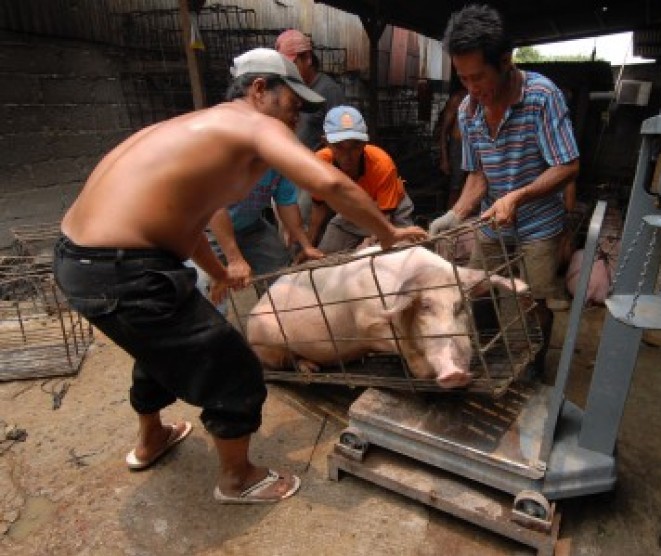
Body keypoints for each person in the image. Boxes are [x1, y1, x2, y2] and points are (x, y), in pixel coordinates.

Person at [52, 47, 427, 505]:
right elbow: (329, 185)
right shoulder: (251, 123)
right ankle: (238, 478)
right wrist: (387, 234)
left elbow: (190, 219)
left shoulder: (191, 128)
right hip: (127, 270)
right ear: (259, 90)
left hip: (79, 262)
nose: (294, 121)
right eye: (292, 106)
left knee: (155, 346)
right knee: (234, 365)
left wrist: (219, 272)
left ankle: (152, 438)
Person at [429, 5, 580, 375]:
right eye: (463, 79)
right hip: (493, 224)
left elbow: (568, 164)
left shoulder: (542, 96)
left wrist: (517, 196)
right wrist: (454, 216)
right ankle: (485, 360)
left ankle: (532, 367)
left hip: (538, 227)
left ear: (506, 60)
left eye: (478, 77)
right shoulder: (468, 110)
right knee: (476, 293)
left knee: (529, 302)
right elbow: (478, 175)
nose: (472, 88)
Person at [308, 105, 416, 253]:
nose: (348, 156)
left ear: (365, 143)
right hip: (353, 210)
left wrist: (372, 240)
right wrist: (308, 246)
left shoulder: (382, 164)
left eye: (355, 146)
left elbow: (385, 217)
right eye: (339, 146)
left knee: (401, 253)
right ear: (326, 142)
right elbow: (318, 207)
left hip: (391, 213)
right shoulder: (320, 164)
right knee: (325, 255)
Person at [276, 29, 346, 224]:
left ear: (307, 58)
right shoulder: (287, 87)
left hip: (310, 174)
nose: (287, 69)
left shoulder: (328, 90)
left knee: (303, 222)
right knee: (286, 226)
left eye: (292, 64)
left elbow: (342, 140)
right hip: (286, 171)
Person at [437, 75, 468, 209]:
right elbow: (444, 131)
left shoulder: (484, 98)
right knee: (456, 187)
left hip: (474, 146)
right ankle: (451, 220)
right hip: (458, 146)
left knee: (470, 185)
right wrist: (444, 158)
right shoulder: (458, 99)